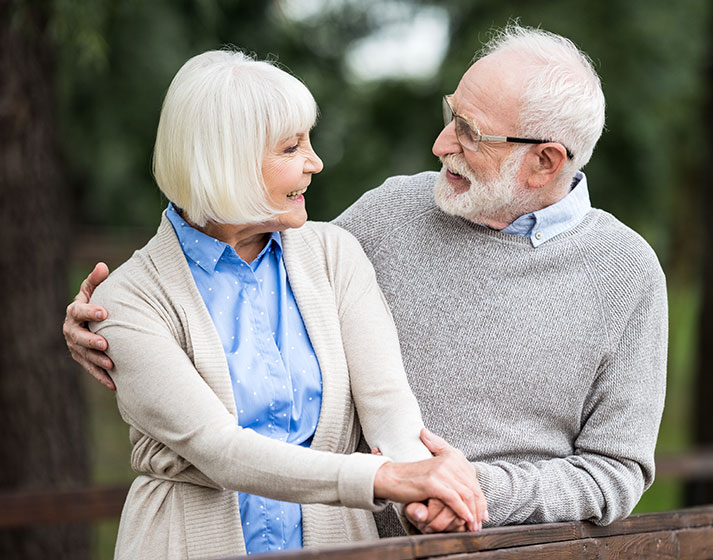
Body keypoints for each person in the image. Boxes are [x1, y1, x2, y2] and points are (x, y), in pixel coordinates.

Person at [65, 24, 667, 537]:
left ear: (545, 161)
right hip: (356, 541)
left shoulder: (625, 273)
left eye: (469, 133)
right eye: (449, 115)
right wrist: (109, 319)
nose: (439, 145)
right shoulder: (385, 216)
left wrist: (470, 492)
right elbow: (238, 233)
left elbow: (615, 472)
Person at [69, 50, 487, 559]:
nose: (316, 162)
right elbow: (222, 452)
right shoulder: (128, 301)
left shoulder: (336, 255)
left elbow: (390, 409)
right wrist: (386, 477)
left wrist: (426, 494)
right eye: (291, 148)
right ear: (228, 160)